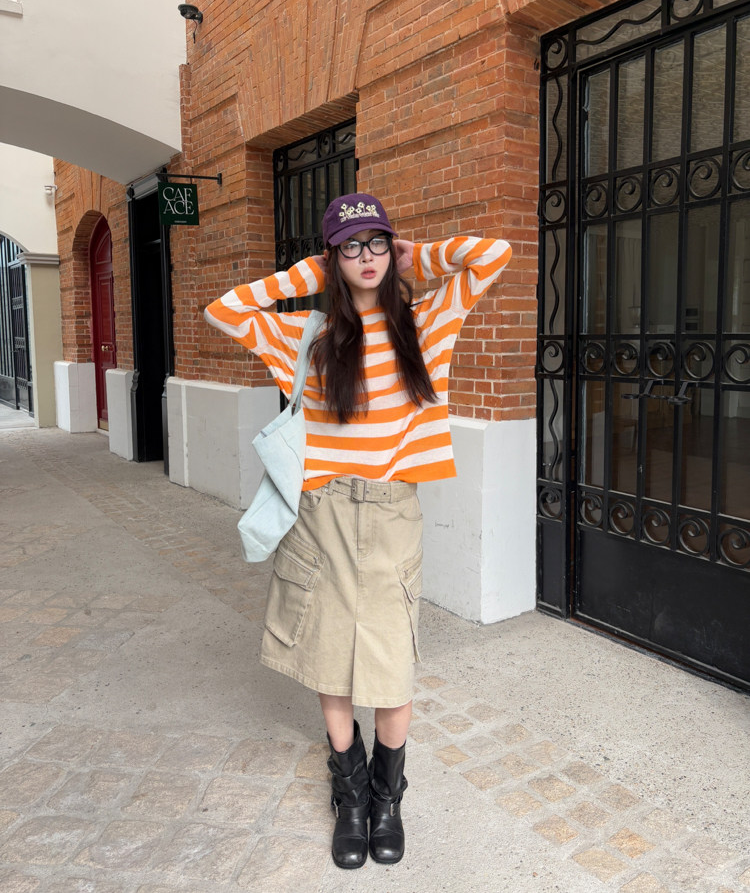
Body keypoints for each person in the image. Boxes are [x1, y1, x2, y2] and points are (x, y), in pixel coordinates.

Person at [204, 193, 512, 869]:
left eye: (376, 242)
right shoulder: (307, 336)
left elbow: (492, 255)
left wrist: (415, 258)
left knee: (392, 666)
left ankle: (387, 795)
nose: (367, 257)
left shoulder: (425, 323)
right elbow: (223, 310)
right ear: (333, 257)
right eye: (351, 246)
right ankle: (349, 795)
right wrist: (312, 273)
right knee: (329, 657)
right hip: (321, 517)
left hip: (392, 513)